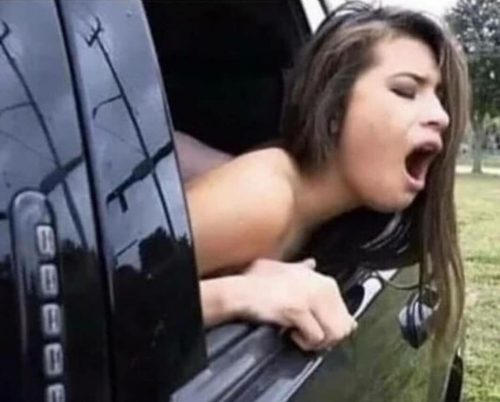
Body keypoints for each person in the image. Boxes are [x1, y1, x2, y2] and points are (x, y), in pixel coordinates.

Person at [183, 1, 470, 352]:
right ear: (333, 110)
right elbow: (117, 301)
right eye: (406, 91)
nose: (442, 116)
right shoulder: (265, 196)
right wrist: (237, 294)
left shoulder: (318, 213)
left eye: (440, 98)